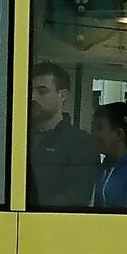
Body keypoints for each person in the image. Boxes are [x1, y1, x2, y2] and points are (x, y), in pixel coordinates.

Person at [28, 65, 100, 208]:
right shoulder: (13, 136)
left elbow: (76, 198)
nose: (32, 97)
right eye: (29, 90)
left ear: (63, 95)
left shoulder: (81, 143)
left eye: (42, 91)